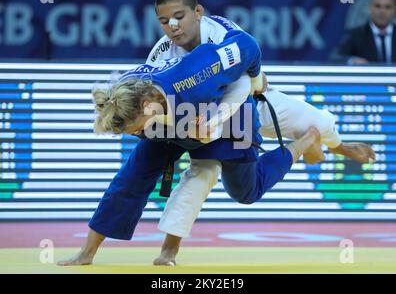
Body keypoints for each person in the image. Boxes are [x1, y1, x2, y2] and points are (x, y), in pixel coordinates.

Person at [146, 0, 377, 265]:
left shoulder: (224, 33)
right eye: (164, 21)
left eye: (179, 17)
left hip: (248, 103)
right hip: (205, 118)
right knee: (203, 173)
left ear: (198, 13)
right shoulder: (161, 55)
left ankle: (335, 146)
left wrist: (253, 86)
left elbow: (253, 80)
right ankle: (169, 250)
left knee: (313, 120)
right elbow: (154, 97)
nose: (173, 26)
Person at [57, 28, 323, 266]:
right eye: (134, 132)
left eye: (136, 129)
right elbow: (140, 127)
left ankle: (304, 142)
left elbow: (247, 45)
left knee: (246, 191)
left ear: (144, 106)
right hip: (172, 124)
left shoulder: (191, 75)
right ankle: (89, 253)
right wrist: (152, 128)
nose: (137, 133)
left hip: (230, 115)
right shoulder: (125, 97)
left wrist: (255, 78)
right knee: (128, 182)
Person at [330, 0, 396, 64]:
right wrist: (351, 60)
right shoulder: (356, 35)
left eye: (387, 7)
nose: (382, 11)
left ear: (394, 10)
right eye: (377, 6)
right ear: (370, 7)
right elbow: (335, 57)